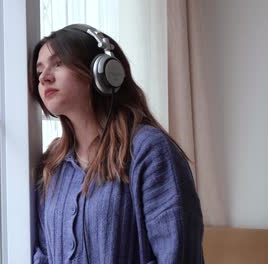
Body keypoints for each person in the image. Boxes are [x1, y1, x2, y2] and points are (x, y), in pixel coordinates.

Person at [29, 24, 204, 263]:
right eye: (39, 71)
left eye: (58, 63)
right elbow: (44, 255)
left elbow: (178, 255)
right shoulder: (52, 165)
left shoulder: (149, 151)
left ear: (102, 71)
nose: (44, 77)